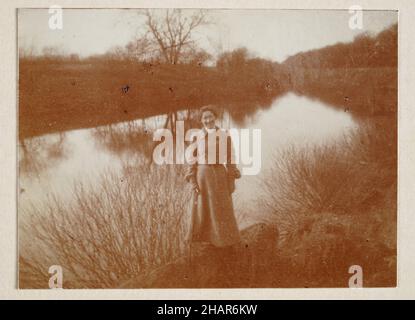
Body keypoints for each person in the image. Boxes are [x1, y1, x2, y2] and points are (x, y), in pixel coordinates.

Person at [184, 105, 241, 286]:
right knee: (204, 211)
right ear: (201, 121)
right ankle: (210, 242)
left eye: (210, 117)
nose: (207, 120)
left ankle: (226, 243)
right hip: (202, 176)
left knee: (222, 211)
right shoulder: (196, 137)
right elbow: (191, 161)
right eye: (204, 118)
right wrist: (193, 181)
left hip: (219, 175)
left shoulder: (224, 136)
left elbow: (231, 159)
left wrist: (231, 179)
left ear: (215, 118)